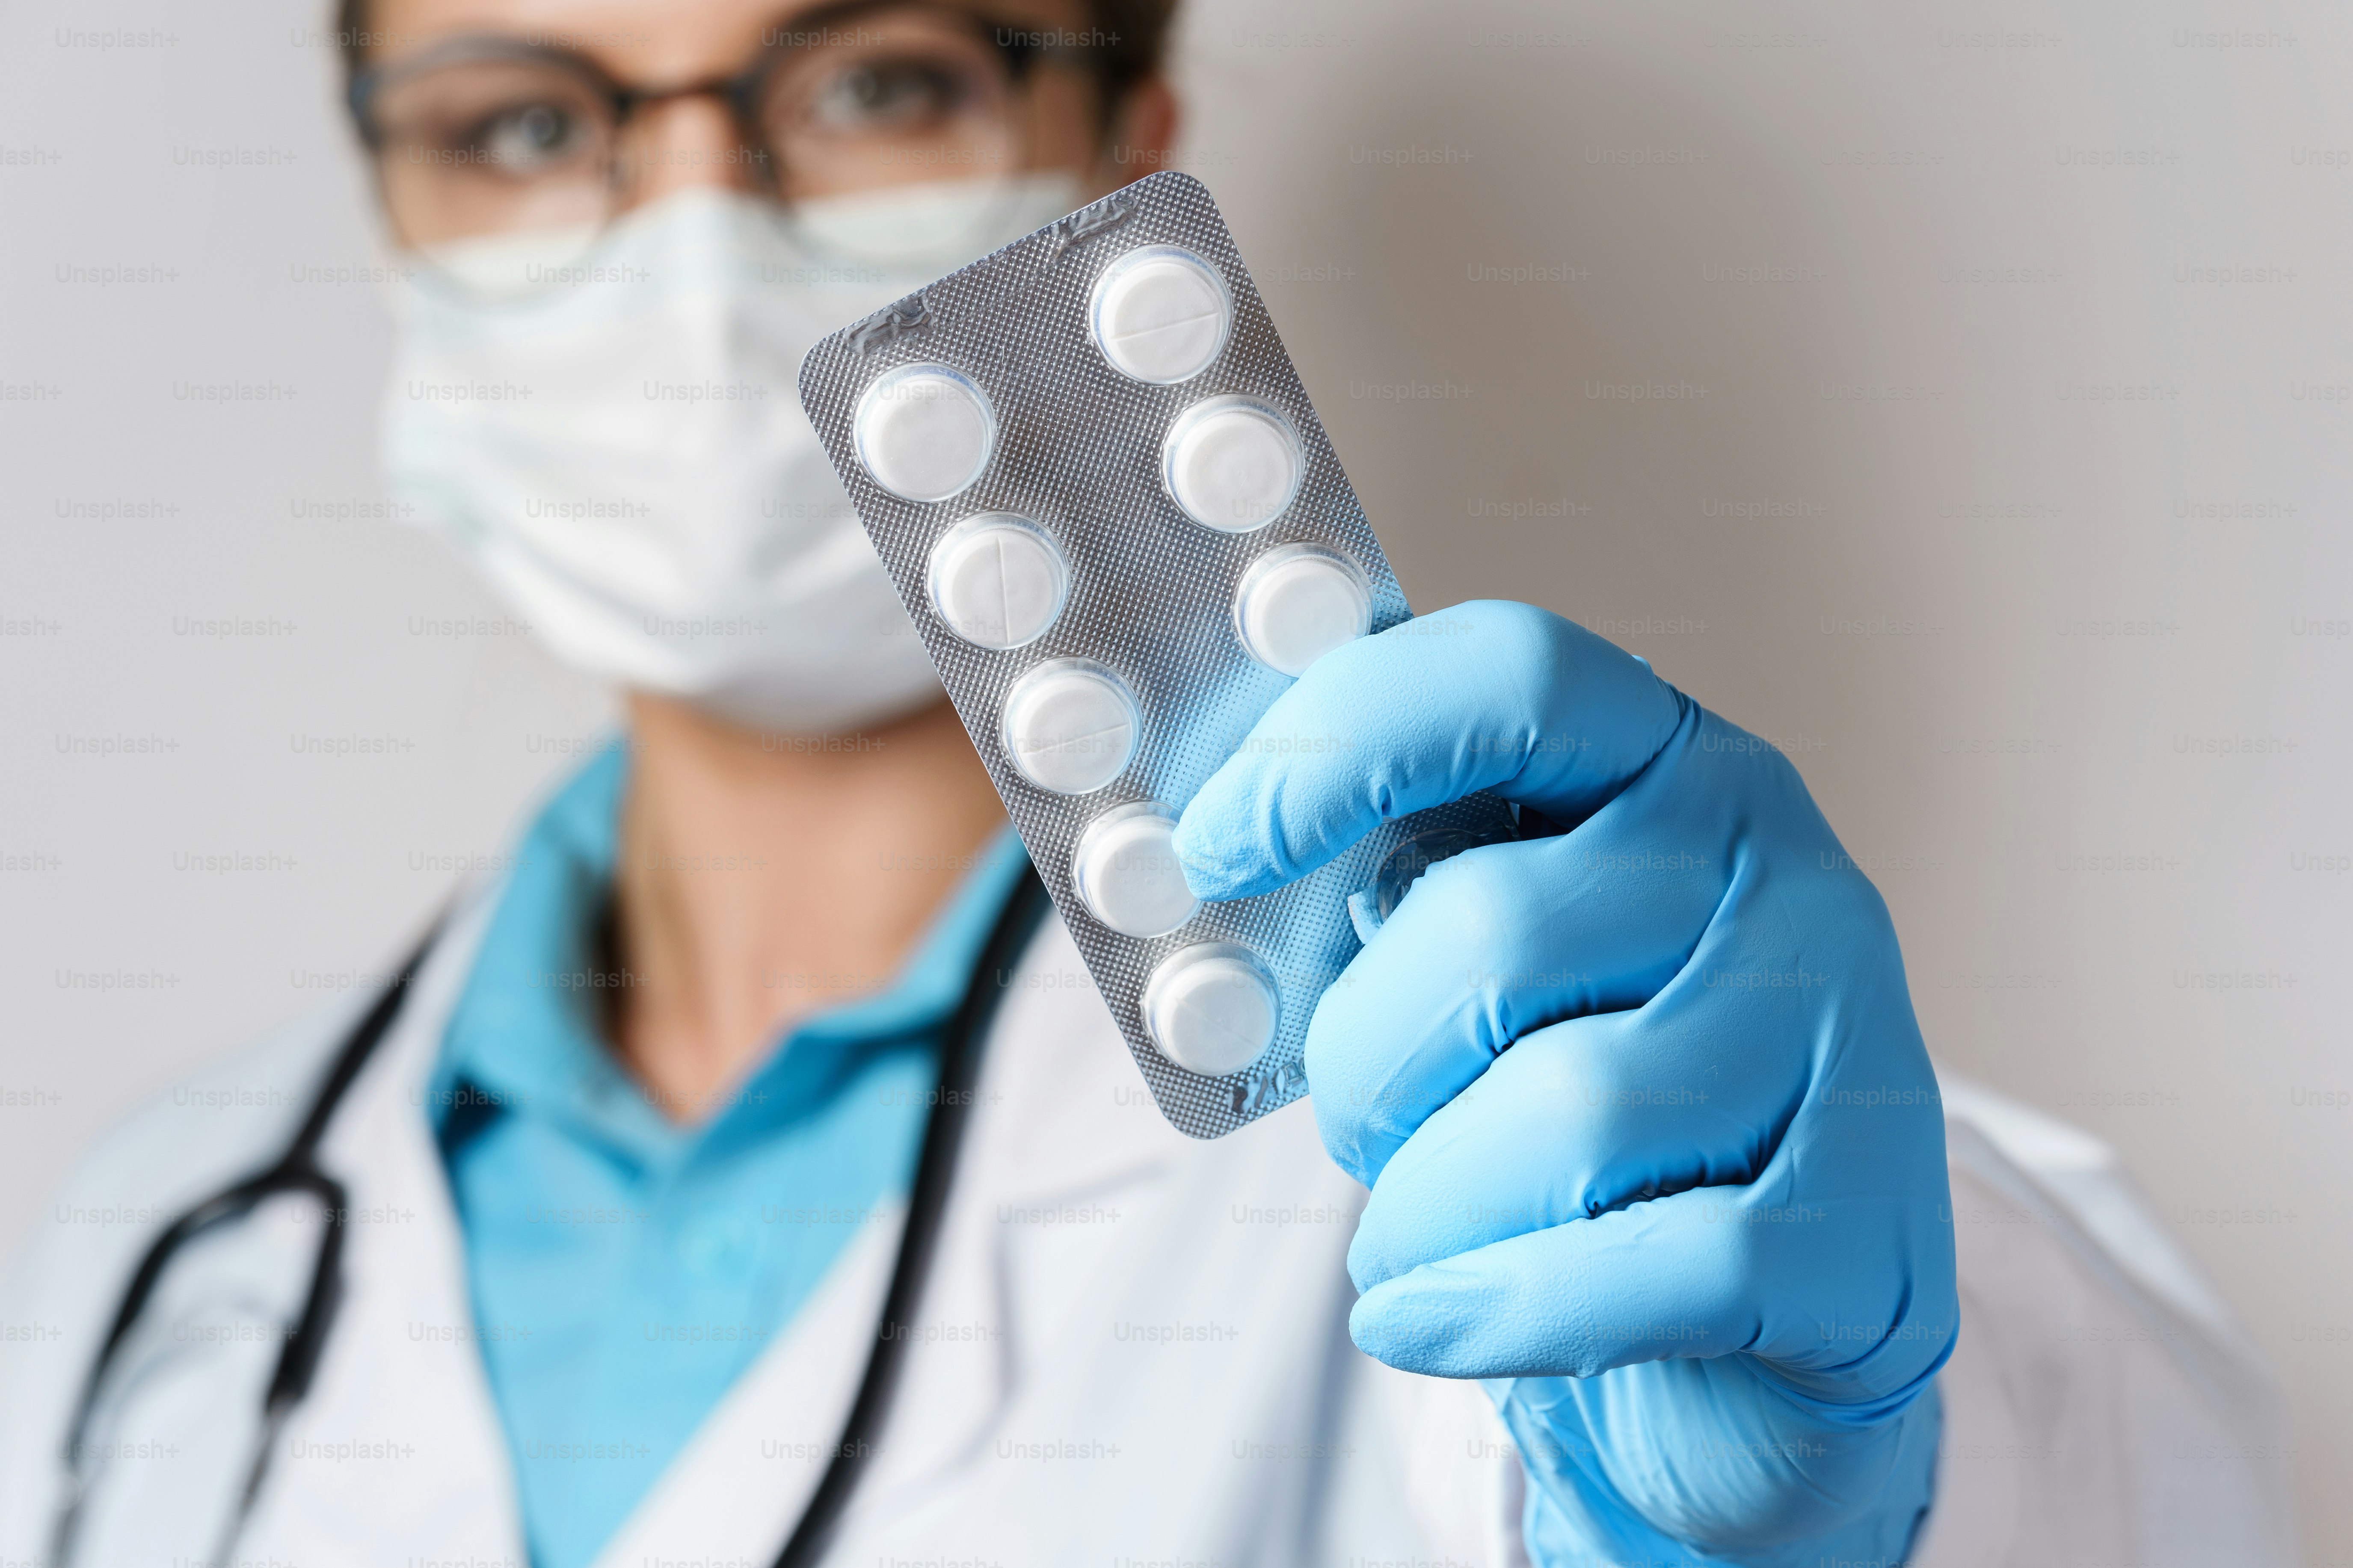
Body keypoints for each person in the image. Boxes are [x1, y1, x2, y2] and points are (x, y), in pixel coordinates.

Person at [0, 0, 2301, 1563]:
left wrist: (1865, 1492)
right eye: (520, 121)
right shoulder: (156, 1239)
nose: (692, 242)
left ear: (1123, 150)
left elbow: (2128, 1490)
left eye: (873, 76)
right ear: (391, 219)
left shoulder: (1539, 1108)